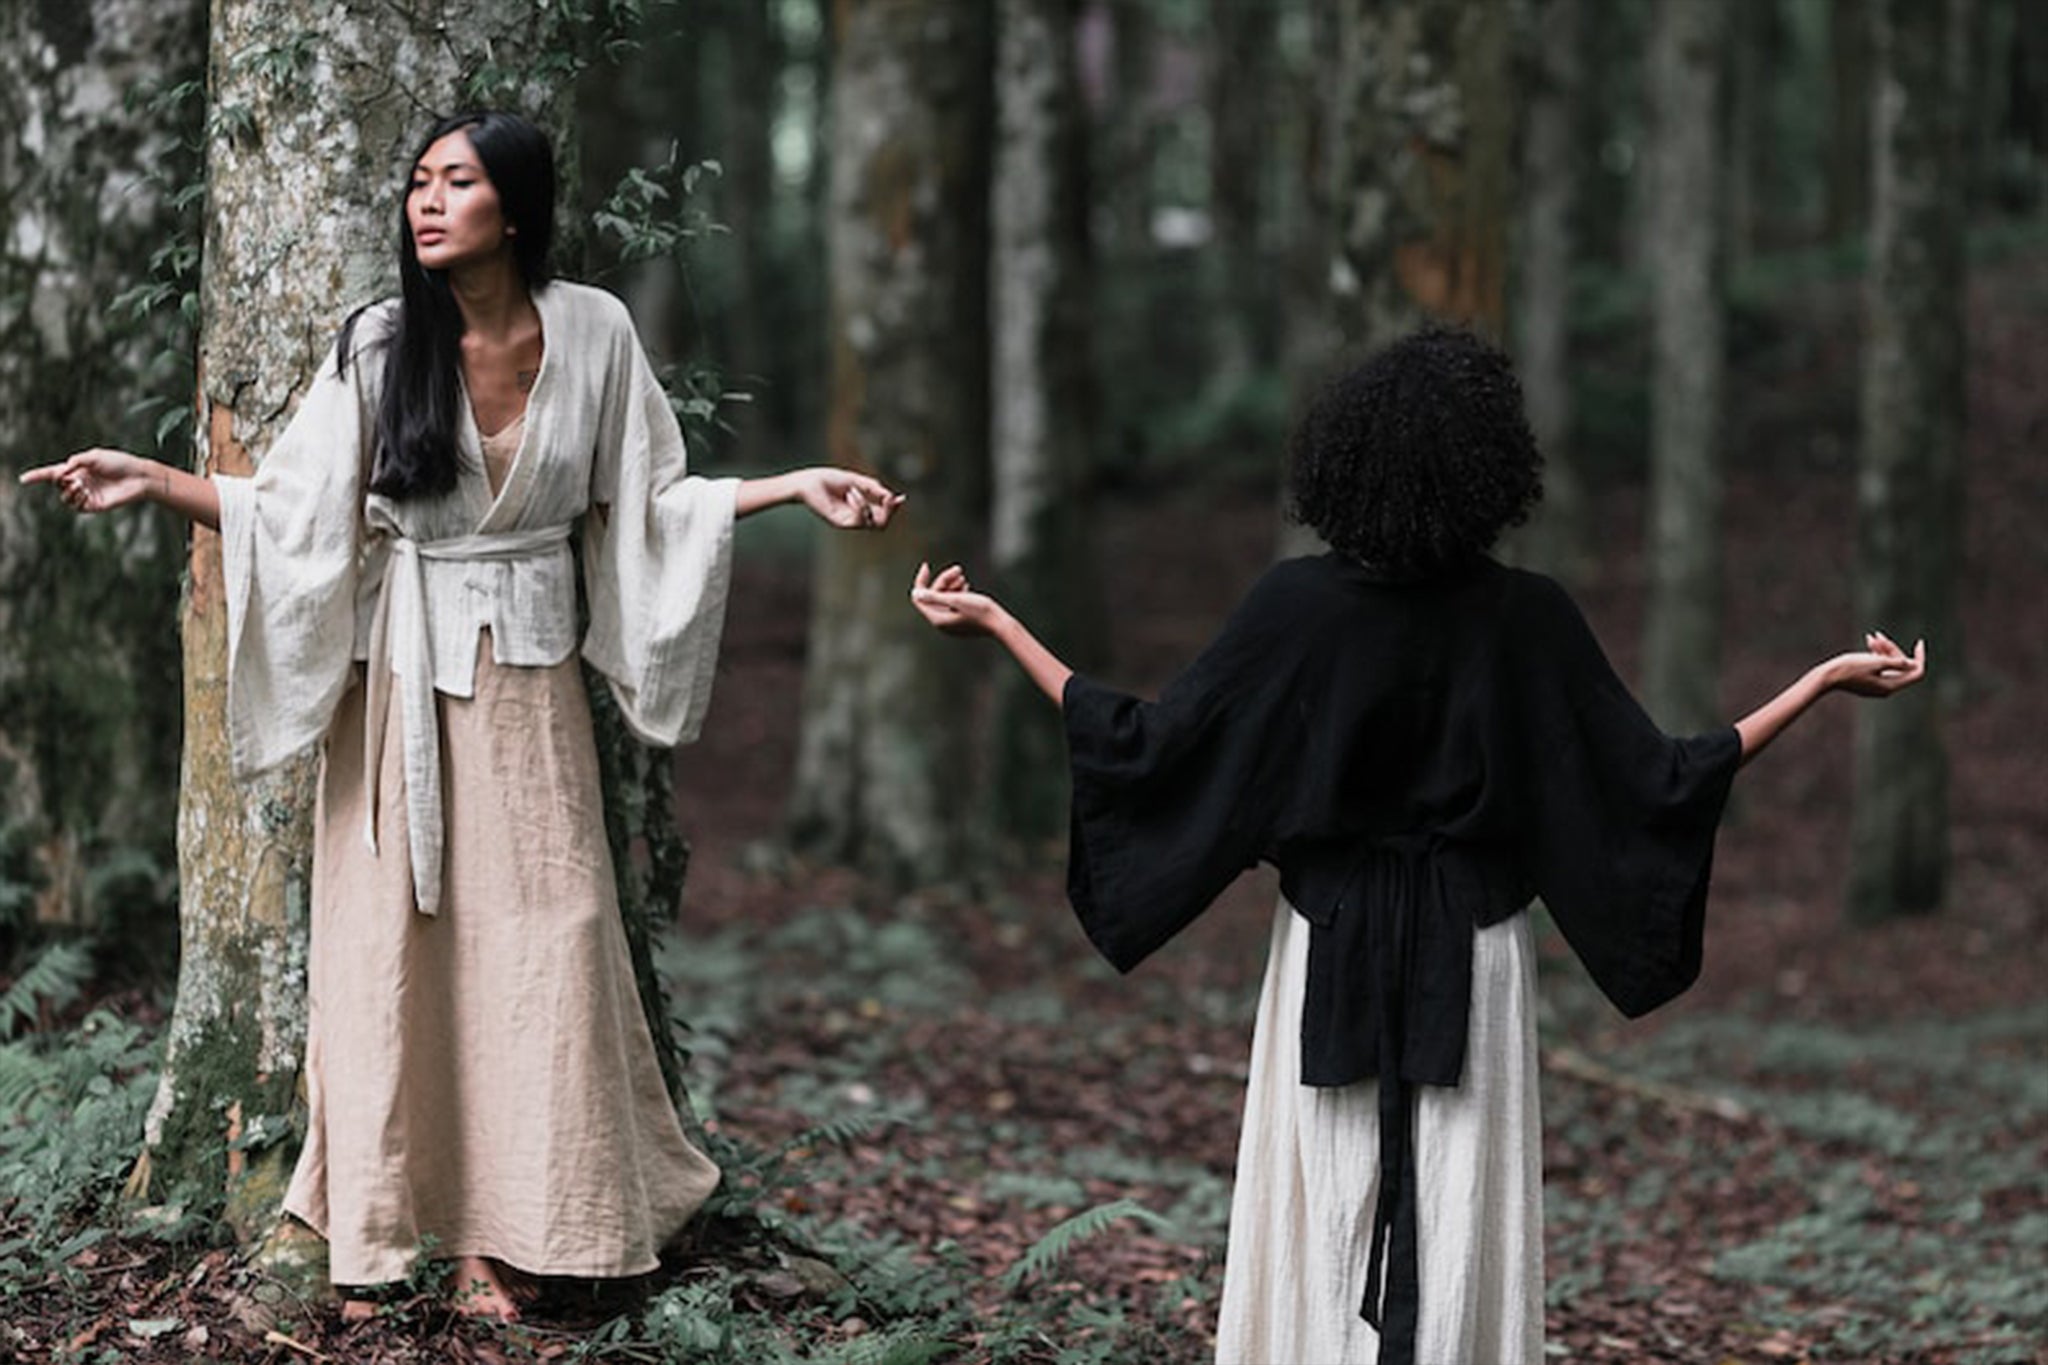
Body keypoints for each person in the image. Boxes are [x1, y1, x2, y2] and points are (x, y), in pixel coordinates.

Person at [23, 110, 903, 1322]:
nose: (427, 204)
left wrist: (794, 486)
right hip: (397, 701)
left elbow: (648, 503)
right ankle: (400, 1229)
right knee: (398, 960)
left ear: (517, 206)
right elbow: (295, 511)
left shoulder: (595, 330)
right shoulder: (385, 343)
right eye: (419, 184)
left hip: (531, 700)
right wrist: (151, 478)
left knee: (553, 942)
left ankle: (545, 1224)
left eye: (458, 183)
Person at [908, 326, 1925, 1365]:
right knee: (1457, 1198)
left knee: (1327, 1197)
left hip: (1325, 944)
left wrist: (995, 624)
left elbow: (1145, 748)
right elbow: (1658, 783)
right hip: (1472, 957)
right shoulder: (1525, 618)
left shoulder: (1292, 609)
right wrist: (1817, 684)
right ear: (1489, 469)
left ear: (1344, 460)